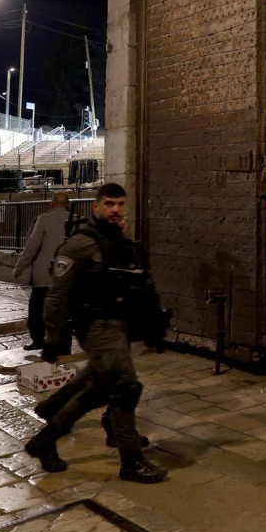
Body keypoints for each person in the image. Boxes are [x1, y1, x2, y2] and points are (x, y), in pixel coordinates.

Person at [24, 183, 168, 484]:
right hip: (95, 326)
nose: (116, 209)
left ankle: (46, 437)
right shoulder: (80, 243)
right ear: (97, 206)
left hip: (118, 327)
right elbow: (57, 294)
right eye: (110, 204)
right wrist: (52, 339)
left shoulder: (115, 240)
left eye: (120, 204)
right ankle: (131, 461)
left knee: (99, 387)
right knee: (125, 387)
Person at [13, 193, 72, 351]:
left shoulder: (43, 220)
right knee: (64, 310)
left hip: (43, 275)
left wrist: (19, 267)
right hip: (66, 275)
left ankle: (38, 340)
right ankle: (64, 345)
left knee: (37, 309)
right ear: (68, 205)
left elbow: (31, 247)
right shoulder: (76, 220)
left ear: (50, 204)